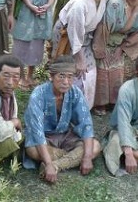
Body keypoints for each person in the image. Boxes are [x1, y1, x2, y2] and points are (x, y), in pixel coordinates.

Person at [24, 56, 101, 184]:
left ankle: (57, 165)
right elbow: (37, 132)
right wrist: (48, 162)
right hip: (44, 137)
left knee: (95, 146)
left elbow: (86, 124)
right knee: (32, 150)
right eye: (61, 76)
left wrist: (87, 157)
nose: (66, 81)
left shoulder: (75, 93)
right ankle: (69, 159)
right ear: (51, 76)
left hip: (65, 135)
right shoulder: (38, 95)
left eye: (70, 77)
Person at [51, 0, 117, 109]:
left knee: (90, 72)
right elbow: (74, 33)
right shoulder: (80, 5)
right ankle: (62, 104)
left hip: (85, 37)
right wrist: (79, 59)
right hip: (68, 36)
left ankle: (83, 107)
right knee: (73, 70)